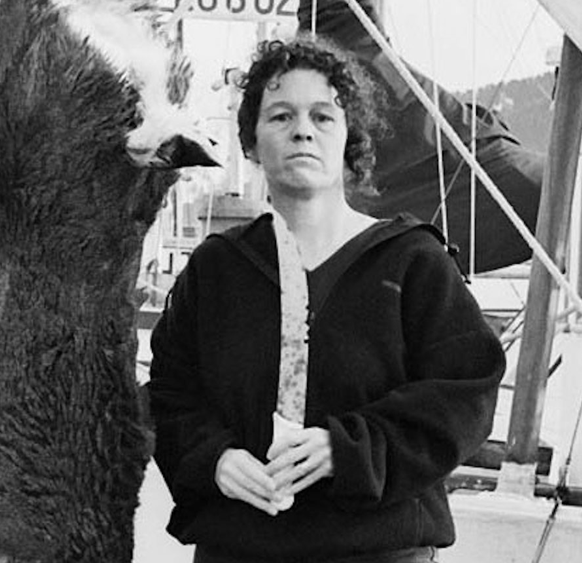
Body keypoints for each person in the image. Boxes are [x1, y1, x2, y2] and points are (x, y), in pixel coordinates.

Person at [147, 37, 505, 563]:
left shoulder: (412, 262)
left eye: (323, 116)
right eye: (280, 116)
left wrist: (350, 448)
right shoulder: (217, 269)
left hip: (377, 550)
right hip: (239, 548)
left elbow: (463, 394)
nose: (302, 130)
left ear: (349, 139)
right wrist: (214, 459)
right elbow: (172, 394)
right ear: (251, 143)